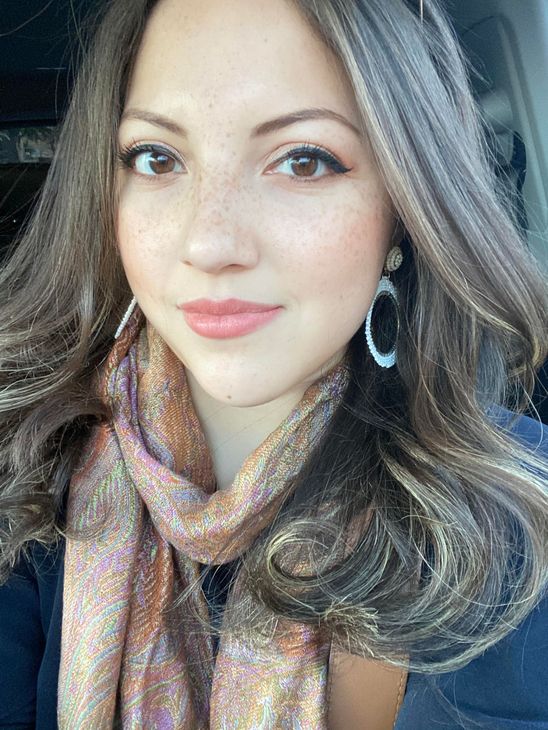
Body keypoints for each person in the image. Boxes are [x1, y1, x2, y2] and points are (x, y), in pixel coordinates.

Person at [0, 0, 547, 728]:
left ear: (403, 209)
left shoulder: (513, 516)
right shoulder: (31, 472)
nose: (210, 241)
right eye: (157, 158)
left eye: (304, 159)